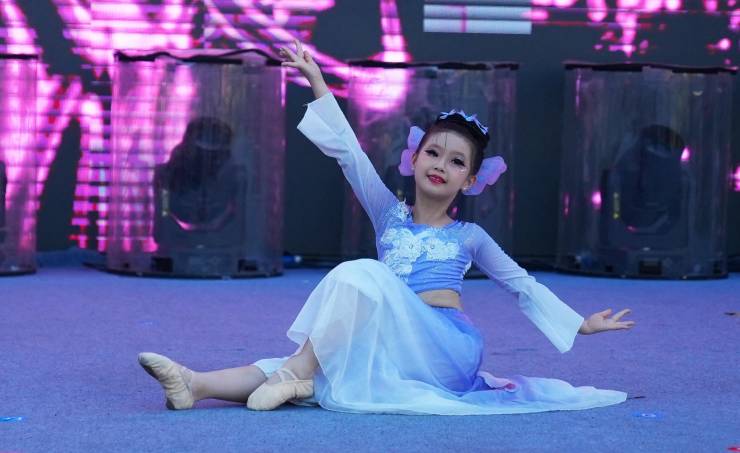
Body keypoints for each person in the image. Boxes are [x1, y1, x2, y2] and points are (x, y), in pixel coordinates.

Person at [138, 40, 635, 415]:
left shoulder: (469, 236)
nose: (441, 165)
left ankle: (295, 373)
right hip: (392, 343)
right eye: (433, 153)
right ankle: (195, 384)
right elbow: (349, 154)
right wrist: (318, 82)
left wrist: (580, 324)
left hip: (445, 350)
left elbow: (522, 285)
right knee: (319, 354)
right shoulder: (388, 212)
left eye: (456, 162)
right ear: (413, 159)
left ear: (469, 180)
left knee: (361, 274)